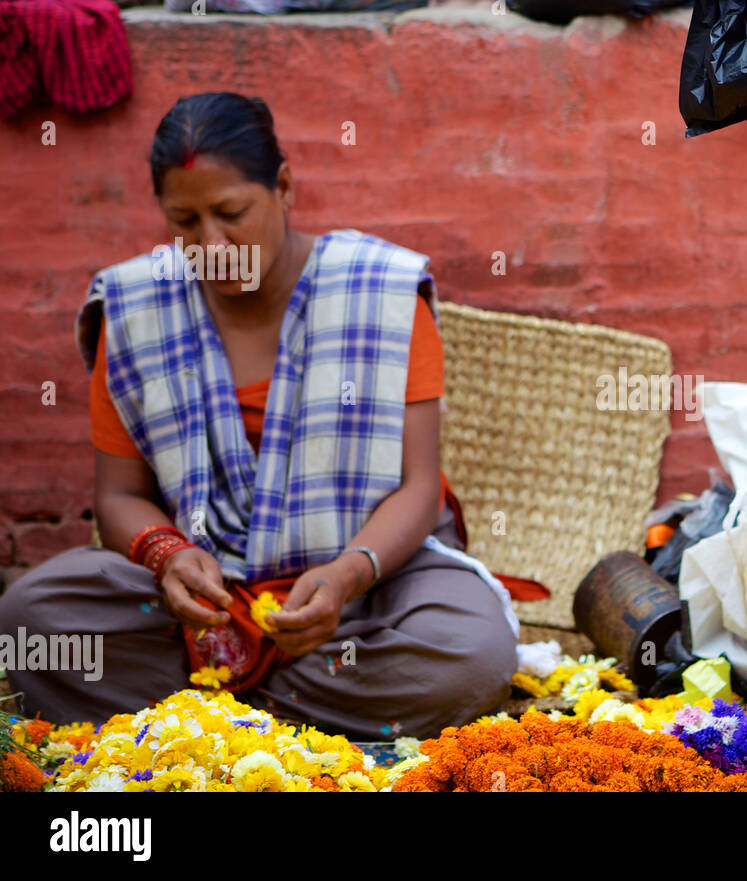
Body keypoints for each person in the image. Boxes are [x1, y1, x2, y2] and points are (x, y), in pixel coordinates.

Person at [0, 92, 518, 740]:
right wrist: (169, 557)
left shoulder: (378, 290)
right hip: (198, 610)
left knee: (473, 652)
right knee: (26, 621)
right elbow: (119, 496)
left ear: (284, 186)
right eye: (184, 222)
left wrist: (346, 574)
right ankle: (287, 707)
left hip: (355, 600)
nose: (211, 244)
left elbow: (418, 487)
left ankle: (207, 712)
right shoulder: (135, 308)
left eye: (231, 213)